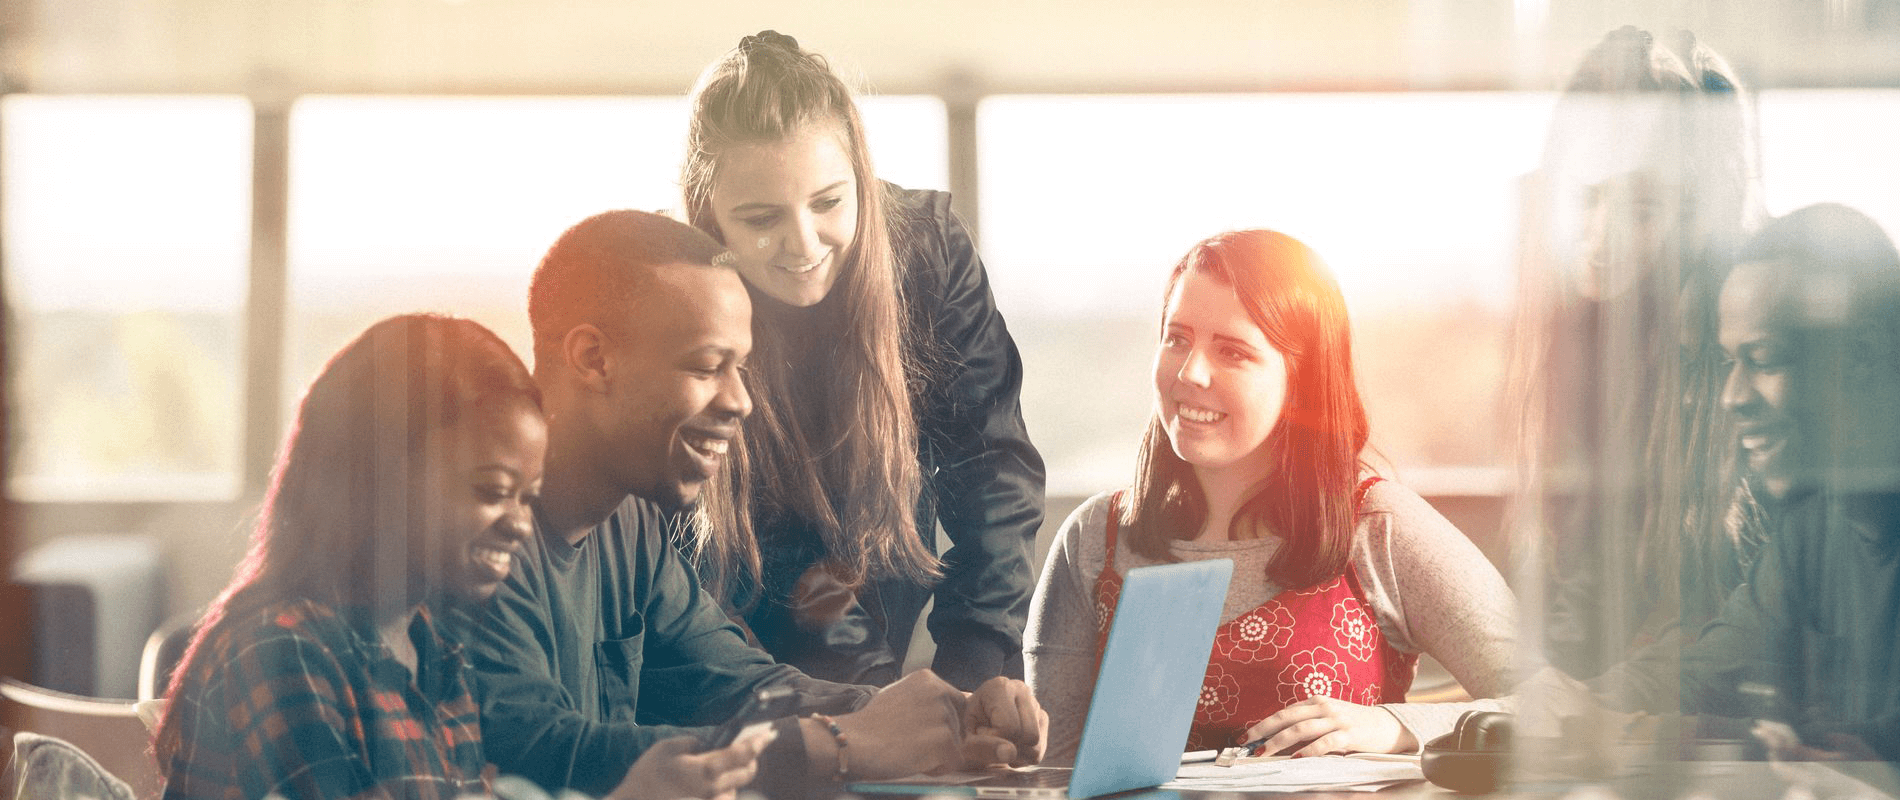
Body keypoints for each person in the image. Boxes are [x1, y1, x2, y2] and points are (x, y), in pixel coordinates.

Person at [469, 210, 1046, 799]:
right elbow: (541, 747)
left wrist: (940, 721)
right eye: (705, 366)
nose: (742, 401)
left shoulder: (630, 523)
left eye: (740, 368)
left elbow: (741, 684)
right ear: (593, 358)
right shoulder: (474, 530)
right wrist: (843, 745)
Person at [153, 313, 767, 800]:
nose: (519, 527)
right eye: (492, 492)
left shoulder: (433, 650)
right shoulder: (283, 653)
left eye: (528, 498)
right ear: (380, 476)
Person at [1025, 230, 1517, 762]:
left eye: (1233, 351)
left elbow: (1554, 706)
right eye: (1177, 338)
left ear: (1301, 381)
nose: (1190, 373)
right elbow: (1051, 767)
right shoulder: (1094, 538)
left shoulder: (1379, 525)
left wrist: (1393, 727)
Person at [675, 30, 1046, 689]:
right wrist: (862, 695)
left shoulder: (925, 251)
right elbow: (777, 563)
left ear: (861, 182)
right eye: (760, 216)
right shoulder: (682, 293)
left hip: (878, 590)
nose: (802, 243)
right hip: (725, 638)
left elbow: (993, 470)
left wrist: (974, 675)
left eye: (828, 202)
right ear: (711, 217)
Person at [1591, 204, 1900, 761]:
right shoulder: (1814, 532)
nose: (1730, 397)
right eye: (1728, 362)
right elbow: (1709, 672)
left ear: (1866, 359)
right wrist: (1549, 709)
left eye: (1766, 360)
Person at [1512, 26, 1767, 677]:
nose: (1599, 238)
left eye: (1642, 206)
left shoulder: (1757, 365)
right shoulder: (1605, 347)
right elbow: (1593, 601)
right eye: (1586, 197)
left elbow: (1763, 629)